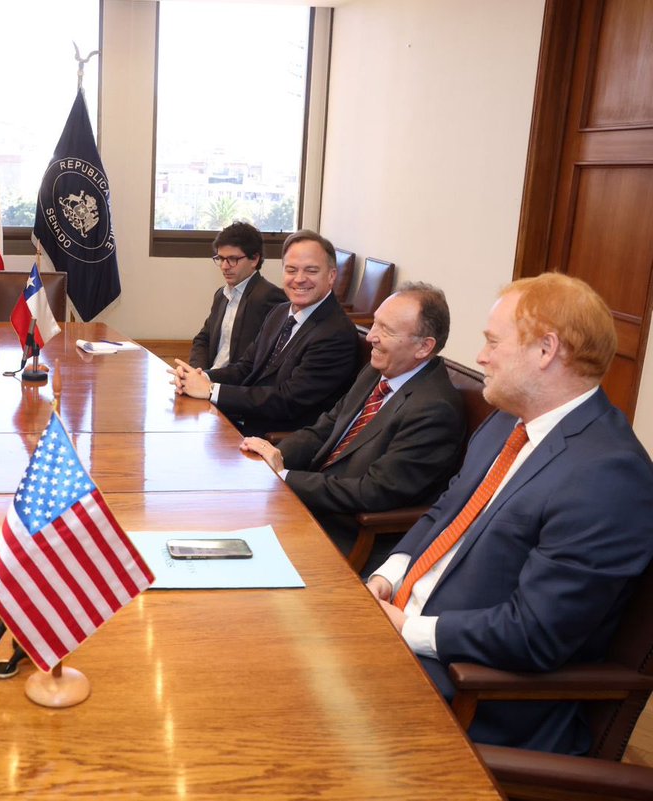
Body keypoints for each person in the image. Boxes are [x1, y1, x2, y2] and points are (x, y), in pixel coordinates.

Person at [366, 273, 653, 754]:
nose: (480, 357)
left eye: (492, 341)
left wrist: (408, 630)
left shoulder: (609, 475)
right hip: (402, 632)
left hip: (472, 693)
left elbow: (535, 633)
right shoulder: (507, 422)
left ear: (546, 351)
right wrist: (389, 577)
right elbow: (445, 510)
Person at [240, 283, 465, 560]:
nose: (371, 337)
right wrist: (271, 457)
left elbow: (373, 492)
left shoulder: (434, 410)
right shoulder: (376, 371)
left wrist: (284, 477)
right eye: (375, 325)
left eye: (387, 331)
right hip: (311, 503)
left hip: (348, 534)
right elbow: (324, 428)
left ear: (424, 347)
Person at [171, 229, 359, 436]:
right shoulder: (280, 312)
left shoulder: (335, 334)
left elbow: (287, 400)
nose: (299, 279)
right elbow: (246, 368)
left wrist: (210, 390)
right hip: (247, 419)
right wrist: (200, 377)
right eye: (291, 270)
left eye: (311, 271)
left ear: (331, 276)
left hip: (277, 439)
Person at [189, 221, 287, 369]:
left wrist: (207, 378)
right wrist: (198, 371)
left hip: (234, 386)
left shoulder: (269, 297)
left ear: (254, 259)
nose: (224, 266)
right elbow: (203, 339)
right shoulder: (221, 295)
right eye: (221, 258)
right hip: (209, 377)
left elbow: (258, 362)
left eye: (233, 259)